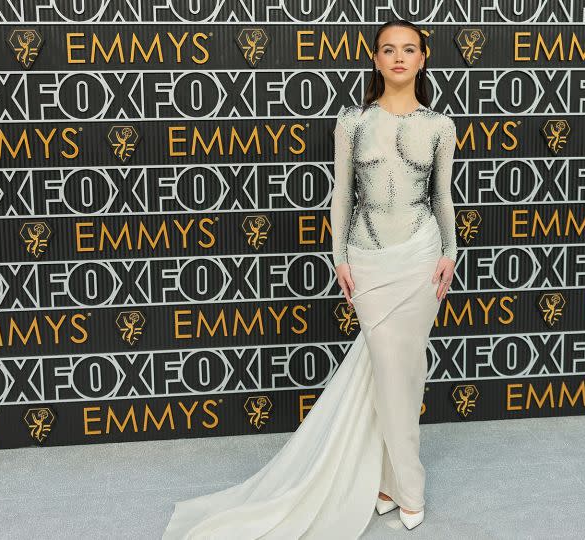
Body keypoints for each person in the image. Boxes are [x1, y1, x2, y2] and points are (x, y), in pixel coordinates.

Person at [162, 19, 457, 539]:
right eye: (388, 49)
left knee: (406, 370)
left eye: (408, 49)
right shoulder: (352, 122)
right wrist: (337, 255)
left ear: (423, 58)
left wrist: (452, 252)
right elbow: (342, 193)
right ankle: (410, 483)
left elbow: (443, 195)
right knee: (391, 368)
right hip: (367, 258)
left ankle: (393, 484)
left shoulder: (440, 125)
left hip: (420, 255)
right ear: (375, 59)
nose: (398, 58)